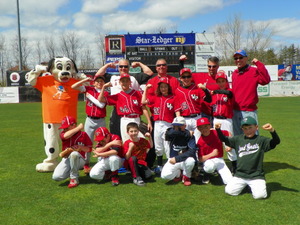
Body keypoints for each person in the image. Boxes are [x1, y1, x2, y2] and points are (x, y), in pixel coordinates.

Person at [215, 116, 280, 199]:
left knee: (260, 196)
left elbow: (276, 142)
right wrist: (218, 130)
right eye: (245, 128)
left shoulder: (261, 140)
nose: (248, 130)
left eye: (250, 128)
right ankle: (245, 185)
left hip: (256, 175)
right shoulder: (238, 139)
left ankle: (251, 186)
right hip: (240, 174)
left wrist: (272, 131)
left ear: (256, 127)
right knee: (229, 191)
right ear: (242, 129)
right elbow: (224, 139)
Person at [95, 59, 153, 137]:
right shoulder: (113, 77)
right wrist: (107, 65)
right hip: (117, 108)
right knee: (116, 134)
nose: (123, 68)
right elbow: (98, 75)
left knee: (134, 135)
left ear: (129, 68)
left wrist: (139, 63)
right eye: (121, 66)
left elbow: (149, 73)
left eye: (125, 66)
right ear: (118, 68)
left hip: (133, 108)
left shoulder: (134, 78)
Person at [71, 75, 108, 174]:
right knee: (87, 142)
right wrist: (85, 80)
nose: (99, 83)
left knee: (102, 141)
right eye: (97, 81)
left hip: (100, 120)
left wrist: (90, 97)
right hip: (89, 119)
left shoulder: (106, 92)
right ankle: (86, 164)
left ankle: (101, 163)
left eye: (101, 81)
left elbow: (101, 105)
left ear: (104, 83)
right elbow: (73, 86)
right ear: (94, 82)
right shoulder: (89, 89)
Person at [231, 50, 271, 135]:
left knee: (253, 139)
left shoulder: (253, 71)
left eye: (240, 57)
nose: (238, 60)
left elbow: (265, 80)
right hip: (235, 111)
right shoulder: (234, 73)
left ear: (246, 58)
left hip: (249, 112)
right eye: (236, 58)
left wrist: (258, 64)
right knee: (238, 140)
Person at [141, 80, 176, 174]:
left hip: (168, 124)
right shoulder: (156, 97)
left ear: (169, 87)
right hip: (157, 123)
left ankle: (169, 164)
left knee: (167, 145)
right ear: (159, 88)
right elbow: (143, 101)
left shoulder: (173, 98)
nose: (163, 89)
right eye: (161, 87)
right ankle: (159, 165)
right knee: (158, 145)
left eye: (165, 86)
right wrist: (146, 89)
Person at [52, 116, 93, 188]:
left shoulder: (83, 135)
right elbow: (65, 136)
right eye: (64, 127)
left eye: (66, 127)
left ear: (73, 125)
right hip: (66, 159)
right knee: (56, 177)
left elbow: (89, 149)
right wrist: (78, 128)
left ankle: (74, 178)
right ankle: (73, 170)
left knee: (74, 154)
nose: (65, 129)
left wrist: (81, 147)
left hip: (81, 160)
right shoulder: (63, 133)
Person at [174, 68, 212, 141]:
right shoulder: (178, 91)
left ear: (191, 77)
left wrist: (205, 89)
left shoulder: (197, 88)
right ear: (180, 78)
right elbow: (177, 109)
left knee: (197, 141)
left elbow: (208, 99)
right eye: (184, 77)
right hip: (185, 119)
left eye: (188, 76)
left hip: (197, 118)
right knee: (185, 141)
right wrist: (179, 121)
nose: (186, 79)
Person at [211, 70, 237, 173]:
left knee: (229, 144)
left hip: (226, 121)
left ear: (226, 81)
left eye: (223, 81)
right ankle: (217, 165)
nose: (221, 83)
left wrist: (216, 91)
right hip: (216, 120)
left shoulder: (229, 91)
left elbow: (229, 93)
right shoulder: (214, 95)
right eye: (219, 81)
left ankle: (235, 166)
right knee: (217, 143)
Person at [161, 116, 197, 186]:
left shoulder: (191, 136)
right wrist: (186, 133)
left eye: (179, 126)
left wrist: (177, 158)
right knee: (165, 176)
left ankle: (186, 176)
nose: (176, 128)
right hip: (173, 160)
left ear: (185, 126)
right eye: (175, 126)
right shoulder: (171, 133)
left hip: (184, 160)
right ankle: (178, 174)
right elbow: (170, 133)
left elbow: (191, 152)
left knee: (191, 161)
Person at [196, 117, 233, 185]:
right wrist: (212, 154)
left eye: (206, 126)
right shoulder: (200, 142)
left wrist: (229, 145)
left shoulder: (216, 132)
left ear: (210, 125)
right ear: (198, 129)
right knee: (209, 167)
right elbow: (200, 159)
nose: (204, 129)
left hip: (220, 159)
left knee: (229, 181)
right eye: (201, 127)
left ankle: (218, 172)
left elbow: (228, 133)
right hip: (208, 161)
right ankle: (206, 173)